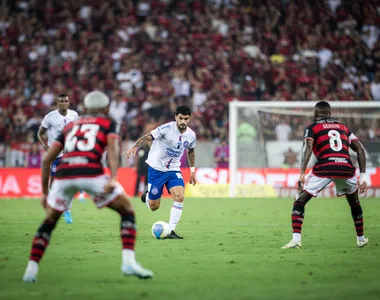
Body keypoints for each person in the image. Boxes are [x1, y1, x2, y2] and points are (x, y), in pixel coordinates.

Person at [23, 91, 153, 283]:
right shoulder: (109, 123)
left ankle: (30, 270)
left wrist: (44, 193)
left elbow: (46, 160)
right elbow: (113, 150)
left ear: (83, 108)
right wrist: (114, 177)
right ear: (107, 109)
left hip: (64, 174)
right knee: (127, 209)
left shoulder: (71, 126)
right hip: (91, 173)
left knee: (49, 221)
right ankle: (128, 262)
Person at [281, 101, 369, 249]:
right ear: (330, 113)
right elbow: (360, 150)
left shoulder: (312, 128)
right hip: (345, 168)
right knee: (354, 202)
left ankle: (296, 240)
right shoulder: (344, 128)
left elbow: (308, 148)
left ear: (315, 114)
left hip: (325, 167)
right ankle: (361, 239)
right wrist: (363, 176)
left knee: (299, 200)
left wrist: (302, 173)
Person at [124, 105, 197, 239]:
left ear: (189, 119)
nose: (182, 122)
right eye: (180, 118)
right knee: (154, 206)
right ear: (176, 117)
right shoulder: (166, 128)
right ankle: (147, 196)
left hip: (174, 169)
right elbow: (147, 137)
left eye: (186, 119)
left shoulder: (191, 135)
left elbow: (191, 151)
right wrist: (134, 147)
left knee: (179, 196)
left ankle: (171, 230)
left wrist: (192, 171)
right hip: (156, 169)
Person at [37, 94, 83, 224]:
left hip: (70, 152)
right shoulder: (50, 117)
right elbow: (40, 132)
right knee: (54, 183)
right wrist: (45, 145)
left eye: (66, 101)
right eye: (61, 101)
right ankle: (54, 207)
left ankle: (67, 210)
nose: (64, 103)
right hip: (56, 153)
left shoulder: (74, 115)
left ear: (69, 102)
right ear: (58, 103)